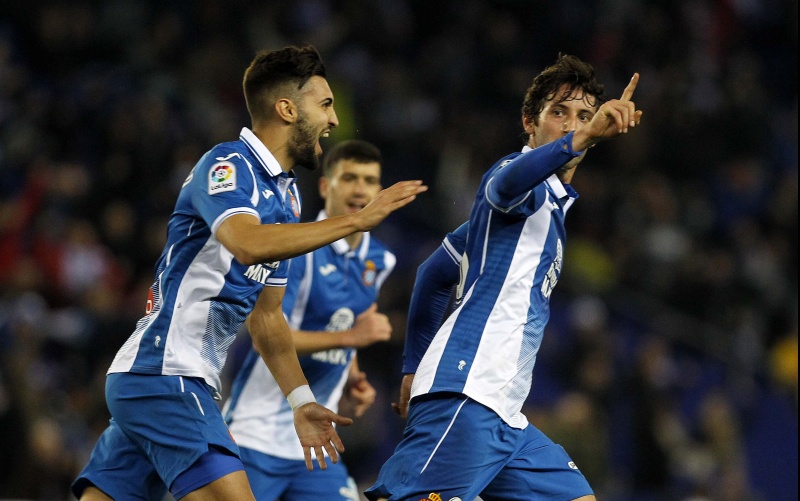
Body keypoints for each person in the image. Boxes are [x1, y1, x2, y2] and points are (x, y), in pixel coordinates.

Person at [71, 45, 427, 501]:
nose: (334, 119)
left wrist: (301, 402)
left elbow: (268, 318)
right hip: (166, 374)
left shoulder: (288, 198)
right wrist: (355, 221)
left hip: (166, 381)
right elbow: (245, 242)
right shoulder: (227, 167)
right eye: (324, 104)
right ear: (287, 110)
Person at [366, 54, 643, 501]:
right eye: (559, 112)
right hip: (467, 393)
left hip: (505, 415)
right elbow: (506, 185)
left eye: (583, 116)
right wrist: (582, 137)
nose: (573, 125)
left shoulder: (541, 209)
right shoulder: (519, 180)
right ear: (529, 122)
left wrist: (413, 367)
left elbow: (434, 273)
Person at [222, 139, 395, 500]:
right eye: (349, 178)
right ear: (325, 186)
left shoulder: (380, 260)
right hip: (256, 435)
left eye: (368, 180)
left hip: (316, 443)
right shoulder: (297, 250)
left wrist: (352, 376)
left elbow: (345, 321)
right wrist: (351, 338)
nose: (359, 189)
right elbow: (268, 334)